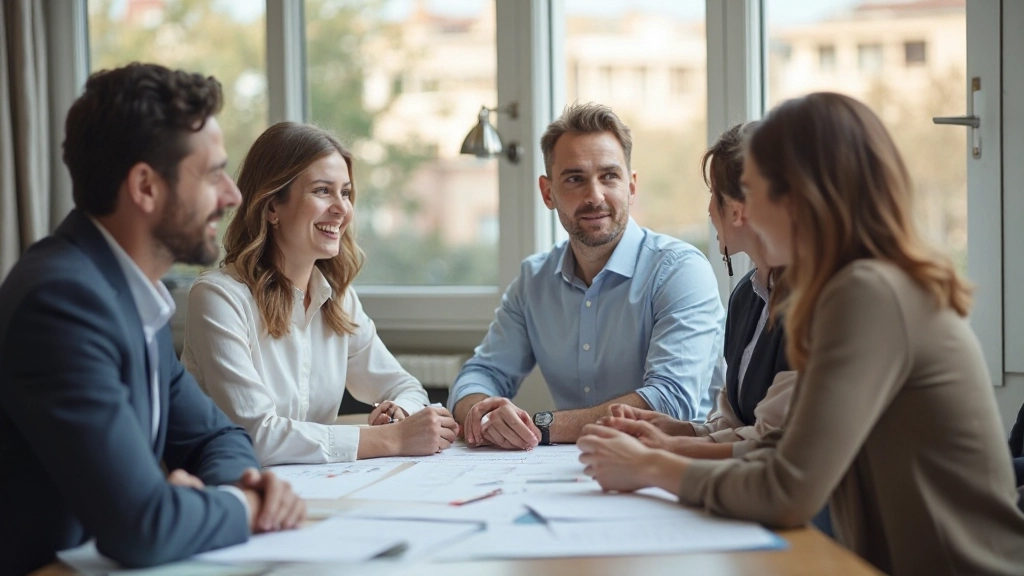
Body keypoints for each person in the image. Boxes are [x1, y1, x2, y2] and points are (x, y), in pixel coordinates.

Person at [577, 92, 1024, 575]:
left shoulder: (868, 293)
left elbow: (787, 490)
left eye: (754, 190)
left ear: (798, 195)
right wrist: (666, 450)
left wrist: (649, 468)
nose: (743, 211)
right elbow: (783, 450)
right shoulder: (851, 287)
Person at [0, 63, 304, 575]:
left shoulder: (132, 293)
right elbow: (142, 527)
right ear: (144, 186)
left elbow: (218, 438)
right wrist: (244, 506)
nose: (232, 196)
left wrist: (230, 484)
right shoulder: (62, 303)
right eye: (212, 175)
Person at [450, 102, 725, 451]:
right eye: (575, 179)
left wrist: (537, 425)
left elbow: (669, 400)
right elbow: (482, 373)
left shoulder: (680, 271)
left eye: (609, 176)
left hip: (674, 466)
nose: (595, 196)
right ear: (548, 193)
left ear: (632, 185)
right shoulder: (534, 279)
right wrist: (482, 413)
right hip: (570, 467)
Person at [183, 122, 458, 466]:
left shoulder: (338, 300)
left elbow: (405, 387)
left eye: (345, 192)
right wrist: (391, 438)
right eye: (322, 191)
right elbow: (255, 435)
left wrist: (400, 413)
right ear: (271, 207)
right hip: (230, 493)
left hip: (312, 488)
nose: (342, 208)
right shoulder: (218, 298)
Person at [599, 122, 796, 461]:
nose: (708, 210)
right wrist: (682, 430)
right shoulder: (745, 298)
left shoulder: (811, 304)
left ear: (735, 211)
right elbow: (735, 421)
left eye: (712, 195)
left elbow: (771, 440)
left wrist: (663, 452)